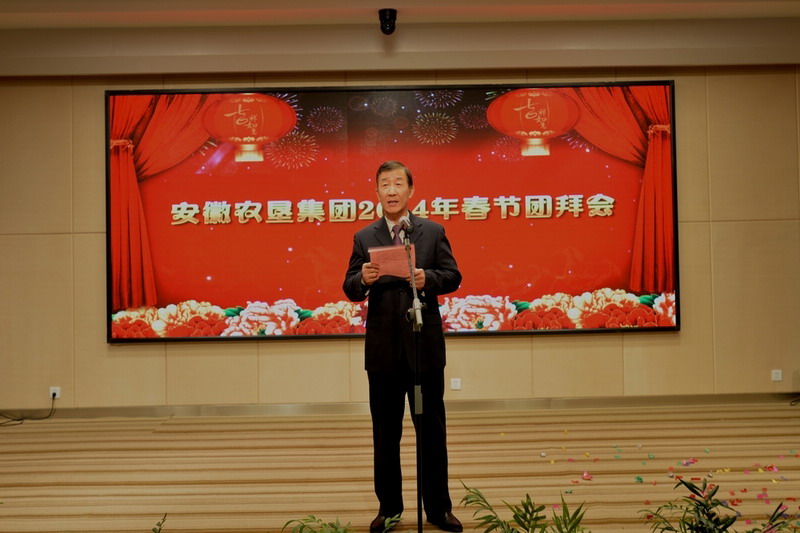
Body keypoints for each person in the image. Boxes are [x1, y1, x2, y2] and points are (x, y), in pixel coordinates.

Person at [342, 161, 463, 533]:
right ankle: (389, 509)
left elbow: (453, 276)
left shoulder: (432, 231)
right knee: (385, 433)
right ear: (376, 192)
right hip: (383, 351)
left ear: (411, 190)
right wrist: (362, 278)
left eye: (398, 184)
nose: (391, 191)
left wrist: (428, 279)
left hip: (423, 347)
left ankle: (438, 509)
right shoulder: (365, 236)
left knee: (432, 431)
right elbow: (349, 287)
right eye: (385, 184)